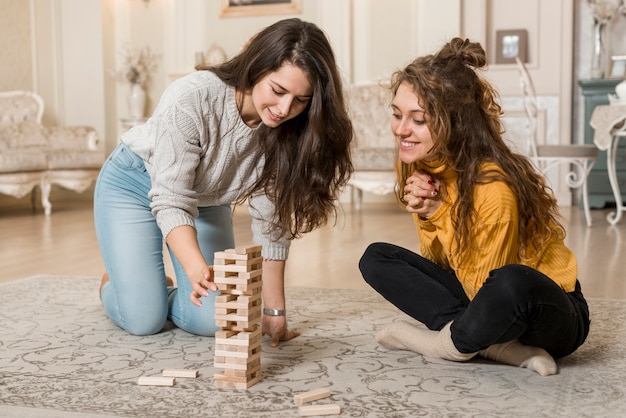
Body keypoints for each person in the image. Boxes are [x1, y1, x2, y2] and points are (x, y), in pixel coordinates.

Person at [94, 18, 353, 347]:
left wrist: (274, 311)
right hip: (134, 184)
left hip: (207, 201)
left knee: (215, 320)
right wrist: (195, 267)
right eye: (278, 90)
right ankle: (113, 284)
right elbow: (172, 199)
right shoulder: (193, 98)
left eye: (301, 100)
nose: (285, 109)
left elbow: (271, 223)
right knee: (144, 320)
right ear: (257, 64)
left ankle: (151, 290)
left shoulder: (288, 130)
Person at [358, 37, 590, 376]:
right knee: (376, 258)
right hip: (484, 305)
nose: (401, 130)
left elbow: (482, 288)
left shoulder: (493, 186)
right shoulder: (423, 161)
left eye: (418, 120)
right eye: (396, 114)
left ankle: (444, 345)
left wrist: (440, 213)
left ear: (455, 122)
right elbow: (441, 264)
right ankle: (501, 349)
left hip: (544, 312)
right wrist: (427, 215)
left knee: (511, 282)